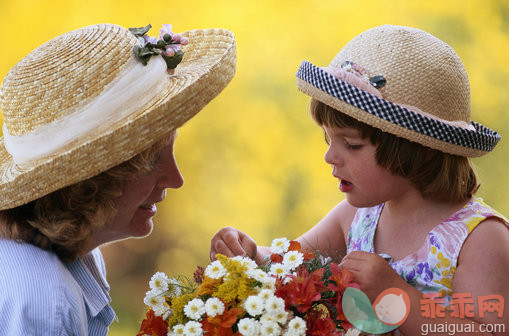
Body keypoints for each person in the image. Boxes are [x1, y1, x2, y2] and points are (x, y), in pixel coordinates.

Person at [210, 25, 509, 334]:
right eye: (328, 140)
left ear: (422, 151)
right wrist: (253, 255)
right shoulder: (358, 217)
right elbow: (291, 265)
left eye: (351, 145)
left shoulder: (478, 238)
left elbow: (490, 330)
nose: (330, 157)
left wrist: (396, 296)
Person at [0, 23, 236, 335]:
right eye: (151, 160)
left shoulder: (73, 256)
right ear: (89, 184)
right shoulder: (45, 303)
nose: (176, 179)